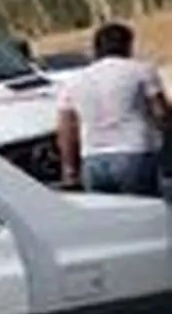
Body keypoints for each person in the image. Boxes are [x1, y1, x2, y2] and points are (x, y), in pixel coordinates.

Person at [55, 21, 169, 195]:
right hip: (135, 154)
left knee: (108, 219)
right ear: (127, 45)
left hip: (92, 160)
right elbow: (162, 114)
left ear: (96, 49)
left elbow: (66, 130)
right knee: (145, 215)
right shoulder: (141, 71)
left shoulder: (73, 81)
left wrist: (70, 169)